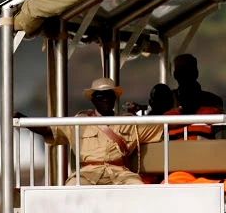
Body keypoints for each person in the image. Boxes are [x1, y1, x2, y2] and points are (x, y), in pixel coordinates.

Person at [27, 77, 162, 186]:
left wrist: (179, 113)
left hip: (120, 173)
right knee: (72, 187)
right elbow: (49, 129)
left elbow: (162, 125)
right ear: (92, 100)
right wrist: (22, 120)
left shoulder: (129, 122)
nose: (105, 99)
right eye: (100, 96)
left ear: (114, 97)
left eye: (108, 95)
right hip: (87, 174)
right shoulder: (79, 122)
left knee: (137, 186)